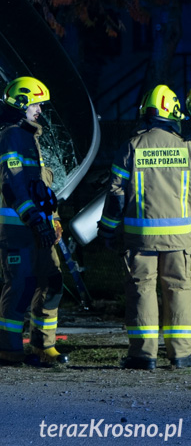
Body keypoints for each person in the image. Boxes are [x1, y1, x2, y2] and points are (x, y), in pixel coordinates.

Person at [98, 85, 191, 371]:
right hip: (180, 238)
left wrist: (108, 230)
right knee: (179, 290)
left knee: (142, 291)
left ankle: (144, 355)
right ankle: (182, 355)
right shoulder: (186, 147)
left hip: (141, 239)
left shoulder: (131, 146)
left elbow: (116, 196)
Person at [0, 76, 68, 367]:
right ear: (21, 103)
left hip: (40, 228)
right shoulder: (11, 136)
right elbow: (13, 185)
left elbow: (42, 189)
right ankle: (9, 351)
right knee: (21, 286)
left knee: (53, 282)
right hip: (18, 230)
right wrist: (34, 220)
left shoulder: (31, 139)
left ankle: (44, 346)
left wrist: (55, 220)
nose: (39, 109)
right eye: (35, 103)